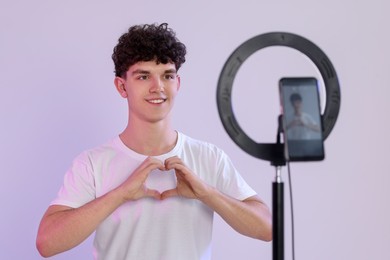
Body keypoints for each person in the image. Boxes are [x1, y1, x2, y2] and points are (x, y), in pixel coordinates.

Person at [36, 23, 272, 260]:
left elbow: (267, 228)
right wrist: (120, 194)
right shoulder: (92, 163)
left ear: (177, 84)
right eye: (143, 76)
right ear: (122, 86)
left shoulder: (209, 157)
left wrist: (207, 193)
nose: (157, 87)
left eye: (167, 76)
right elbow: (47, 243)